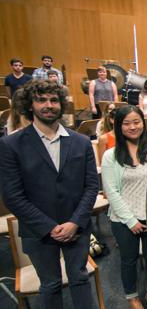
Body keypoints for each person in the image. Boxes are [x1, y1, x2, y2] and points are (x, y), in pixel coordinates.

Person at [0, 80, 98, 308]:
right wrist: (49, 227)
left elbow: (92, 186)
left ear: (61, 104)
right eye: (41, 100)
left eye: (54, 100)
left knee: (80, 279)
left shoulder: (81, 142)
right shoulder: (11, 145)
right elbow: (13, 196)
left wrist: (74, 222)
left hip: (77, 226)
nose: (49, 105)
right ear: (30, 105)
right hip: (39, 231)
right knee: (51, 284)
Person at [101, 106, 147, 309]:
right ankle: (132, 297)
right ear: (118, 126)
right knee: (129, 260)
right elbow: (111, 192)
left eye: (136, 122)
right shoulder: (111, 156)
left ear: (143, 123)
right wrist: (131, 220)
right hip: (123, 219)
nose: (132, 127)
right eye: (126, 123)